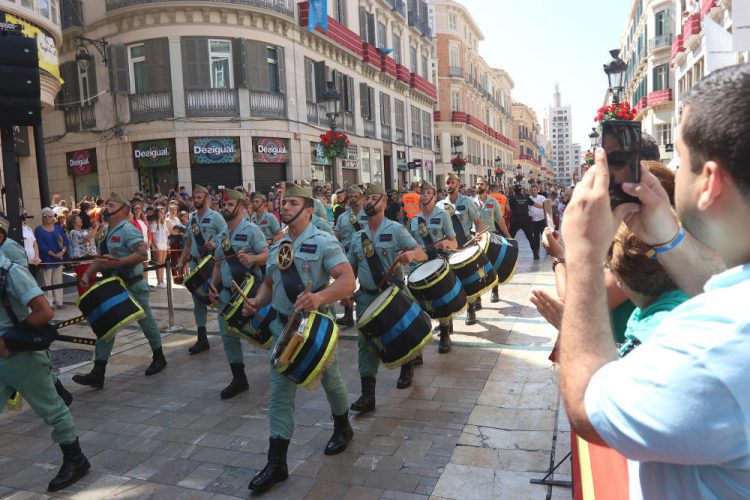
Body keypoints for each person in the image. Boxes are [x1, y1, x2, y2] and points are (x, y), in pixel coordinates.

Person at [558, 64, 749, 499]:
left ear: (711, 183)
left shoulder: (717, 344)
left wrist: (584, 253)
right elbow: (723, 287)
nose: (671, 170)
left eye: (680, 160)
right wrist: (666, 233)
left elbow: (589, 406)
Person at [241, 182, 356, 493]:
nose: (286, 208)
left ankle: (343, 427)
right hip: (283, 330)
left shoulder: (323, 242)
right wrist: (256, 301)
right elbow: (268, 283)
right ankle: (277, 463)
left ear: (307, 210)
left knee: (331, 380)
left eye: (292, 204)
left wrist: (320, 298)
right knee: (280, 394)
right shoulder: (277, 247)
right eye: (284, 203)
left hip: (314, 329)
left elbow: (348, 282)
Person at [0, 250, 90, 492]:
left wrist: (7, 340)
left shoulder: (10, 272)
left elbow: (44, 312)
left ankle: (76, 459)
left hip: (21, 356)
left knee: (53, 410)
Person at [73, 194, 168, 388]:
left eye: (112, 205)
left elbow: (142, 254)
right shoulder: (107, 231)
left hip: (133, 285)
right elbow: (101, 259)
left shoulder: (128, 231)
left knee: (146, 321)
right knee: (107, 326)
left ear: (123, 210)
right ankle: (98, 372)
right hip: (114, 286)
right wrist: (87, 275)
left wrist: (119, 262)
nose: (106, 208)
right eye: (107, 205)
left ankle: (159, 357)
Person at [345, 183, 426, 407]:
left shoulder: (396, 229)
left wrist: (410, 254)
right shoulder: (357, 237)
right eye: (367, 198)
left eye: (374, 198)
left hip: (393, 295)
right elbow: (349, 269)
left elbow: (421, 253)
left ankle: (407, 367)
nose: (369, 201)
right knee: (365, 344)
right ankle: (368, 394)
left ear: (384, 202)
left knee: (400, 334)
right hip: (366, 298)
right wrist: (347, 291)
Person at [207, 189, 268, 399]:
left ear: (241, 207)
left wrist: (252, 259)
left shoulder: (252, 230)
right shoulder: (222, 233)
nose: (226, 208)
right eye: (224, 204)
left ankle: (284, 368)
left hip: (249, 294)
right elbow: (217, 263)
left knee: (262, 332)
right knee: (227, 336)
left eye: (230, 204)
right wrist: (212, 284)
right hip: (226, 295)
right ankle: (238, 378)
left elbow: (267, 255)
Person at [176, 185, 228, 354]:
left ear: (206, 198)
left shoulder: (216, 217)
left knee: (220, 298)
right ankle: (202, 338)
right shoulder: (191, 220)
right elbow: (189, 243)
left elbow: (228, 237)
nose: (196, 200)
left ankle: (230, 334)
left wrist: (215, 244)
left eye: (199, 197)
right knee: (198, 301)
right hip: (196, 265)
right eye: (194, 197)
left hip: (213, 264)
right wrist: (181, 261)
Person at [409, 181, 457, 353]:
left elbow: (454, 242)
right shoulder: (414, 220)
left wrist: (445, 243)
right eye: (422, 192)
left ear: (435, 196)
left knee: (440, 298)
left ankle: (445, 334)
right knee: (419, 301)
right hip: (421, 265)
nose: (424, 195)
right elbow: (411, 244)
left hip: (439, 262)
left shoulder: (443, 215)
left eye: (428, 192)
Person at [437, 172, 485, 325]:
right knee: (446, 283)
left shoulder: (467, 202)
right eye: (447, 182)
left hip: (465, 245)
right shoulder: (439, 206)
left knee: (466, 279)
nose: (450, 185)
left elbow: (478, 222)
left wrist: (479, 235)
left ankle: (470, 309)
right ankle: (447, 320)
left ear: (458, 184)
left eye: (452, 182)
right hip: (448, 250)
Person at [333, 185, 367, 327]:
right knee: (347, 285)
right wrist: (337, 244)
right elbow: (336, 234)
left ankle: (365, 313)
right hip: (348, 256)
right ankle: (348, 315)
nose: (353, 199)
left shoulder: (369, 215)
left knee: (365, 284)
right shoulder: (343, 217)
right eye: (351, 197)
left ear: (363, 198)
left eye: (355, 197)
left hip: (365, 255)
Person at [475, 176, 511, 303]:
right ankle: (477, 297)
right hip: (476, 240)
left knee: (493, 265)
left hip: (490, 237)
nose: (479, 186)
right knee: (477, 269)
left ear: (486, 187)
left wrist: (508, 236)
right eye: (477, 184)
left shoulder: (493, 202)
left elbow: (500, 221)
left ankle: (495, 290)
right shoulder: (471, 203)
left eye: (481, 184)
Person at [35, 208, 68, 309]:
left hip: (59, 258)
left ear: (53, 217)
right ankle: (49, 303)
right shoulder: (38, 229)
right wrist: (53, 254)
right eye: (45, 216)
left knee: (58, 280)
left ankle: (59, 302)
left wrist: (62, 252)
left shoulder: (58, 228)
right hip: (46, 259)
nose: (47, 218)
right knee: (46, 281)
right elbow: (40, 245)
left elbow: (65, 241)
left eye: (49, 216)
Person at [67, 214, 100, 296]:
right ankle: (84, 299)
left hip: (91, 259)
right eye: (79, 219)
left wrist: (100, 226)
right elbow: (86, 239)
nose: (81, 220)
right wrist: (95, 229)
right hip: (81, 261)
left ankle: (92, 298)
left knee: (92, 280)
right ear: (73, 222)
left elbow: (97, 236)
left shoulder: (85, 230)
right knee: (83, 281)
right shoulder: (73, 233)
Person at [507, 185, 542, 259]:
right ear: (521, 190)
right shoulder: (526, 198)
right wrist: (545, 207)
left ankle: (508, 254)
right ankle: (535, 253)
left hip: (516, 220)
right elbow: (536, 205)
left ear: (514, 190)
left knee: (510, 236)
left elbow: (508, 208)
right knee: (530, 237)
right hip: (526, 220)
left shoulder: (512, 198)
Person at [149, 207, 169, 288]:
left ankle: (162, 280)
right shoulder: (154, 223)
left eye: (163, 213)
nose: (162, 214)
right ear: (157, 214)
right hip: (158, 245)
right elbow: (153, 237)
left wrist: (167, 245)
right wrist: (155, 247)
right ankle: (159, 281)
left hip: (164, 245)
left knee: (163, 263)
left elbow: (166, 235)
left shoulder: (164, 223)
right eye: (160, 212)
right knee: (159, 262)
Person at [528, 185, 547, 259]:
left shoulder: (542, 198)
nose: (533, 191)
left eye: (534, 190)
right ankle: (537, 252)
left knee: (544, 235)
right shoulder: (529, 199)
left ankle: (547, 249)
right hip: (533, 220)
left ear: (537, 190)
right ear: (530, 191)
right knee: (536, 237)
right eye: (532, 190)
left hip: (542, 219)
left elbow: (546, 207)